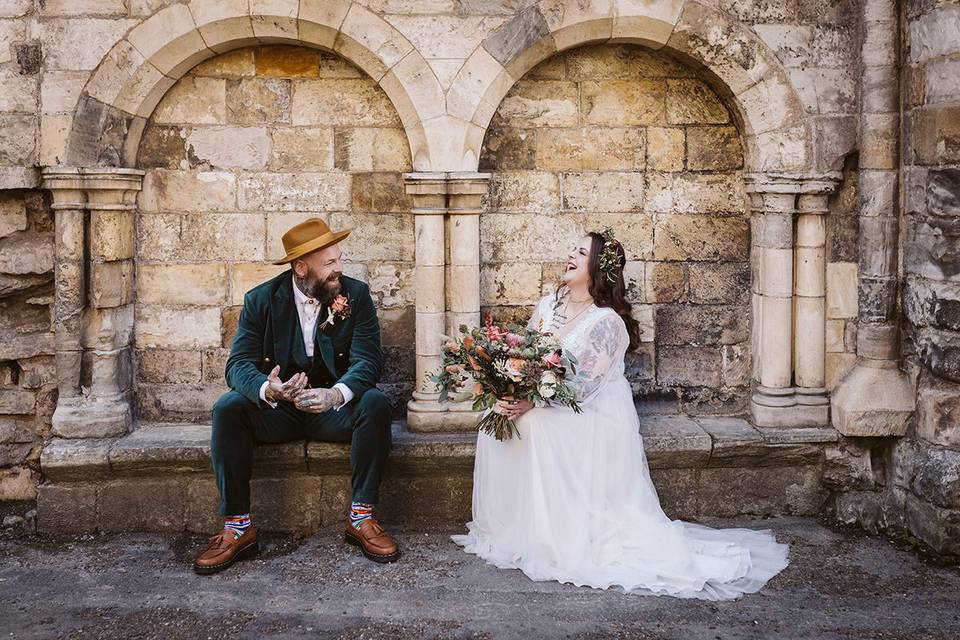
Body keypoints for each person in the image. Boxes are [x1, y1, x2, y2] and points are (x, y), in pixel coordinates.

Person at [452, 229, 789, 600]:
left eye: (580, 252)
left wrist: (531, 402)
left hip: (590, 413)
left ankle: (554, 535)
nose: (570, 255)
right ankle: (515, 527)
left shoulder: (607, 323)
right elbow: (527, 355)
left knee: (536, 423)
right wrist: (509, 389)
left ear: (597, 267)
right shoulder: (549, 305)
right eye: (572, 248)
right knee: (496, 420)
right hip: (547, 397)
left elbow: (583, 387)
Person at [194, 218, 398, 575]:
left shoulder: (356, 295)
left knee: (376, 403)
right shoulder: (261, 300)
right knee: (228, 407)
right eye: (329, 263)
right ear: (301, 267)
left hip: (332, 413)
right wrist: (267, 388)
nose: (339, 269)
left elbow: (369, 361)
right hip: (280, 413)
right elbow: (237, 364)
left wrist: (335, 395)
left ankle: (361, 517)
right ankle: (238, 526)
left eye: (338, 259)